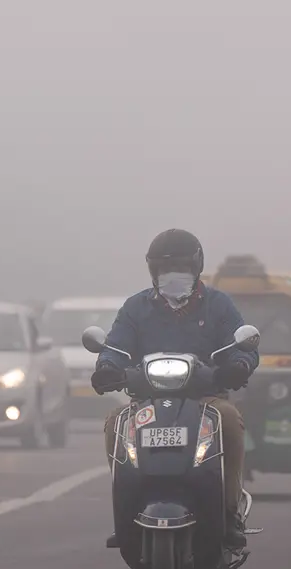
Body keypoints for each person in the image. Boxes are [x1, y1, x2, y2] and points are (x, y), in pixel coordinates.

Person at [92, 228, 259, 549]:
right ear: (153, 272)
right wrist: (107, 367)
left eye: (180, 269)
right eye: (164, 270)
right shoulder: (135, 308)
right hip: (146, 402)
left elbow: (244, 344)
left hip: (206, 400)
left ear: (195, 268)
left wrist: (239, 365)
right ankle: (125, 511)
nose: (173, 277)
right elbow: (114, 346)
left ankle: (230, 509)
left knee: (229, 422)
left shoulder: (218, 305)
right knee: (115, 424)